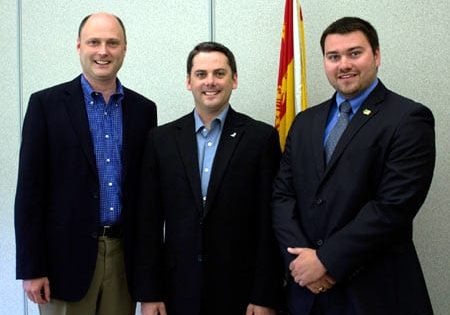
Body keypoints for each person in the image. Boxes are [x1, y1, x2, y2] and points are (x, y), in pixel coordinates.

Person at [272, 17, 435, 315]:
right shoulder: (305, 122)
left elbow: (393, 207)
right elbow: (282, 197)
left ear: (377, 55)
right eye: (333, 57)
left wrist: (325, 261)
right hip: (305, 296)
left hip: (373, 292)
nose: (343, 64)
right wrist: (301, 262)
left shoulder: (409, 119)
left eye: (354, 53)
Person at [15, 12, 157, 315]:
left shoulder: (144, 110)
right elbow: (29, 192)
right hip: (61, 264)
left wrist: (149, 278)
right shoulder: (45, 105)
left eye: (112, 43)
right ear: (79, 46)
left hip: (123, 260)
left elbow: (146, 200)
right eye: (94, 42)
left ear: (124, 49)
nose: (103, 51)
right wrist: (31, 267)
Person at [133, 41, 283, 315]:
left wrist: (265, 296)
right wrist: (149, 293)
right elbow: (148, 223)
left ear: (234, 80)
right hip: (177, 291)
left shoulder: (261, 139)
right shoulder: (161, 140)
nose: (210, 82)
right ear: (188, 81)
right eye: (201, 74)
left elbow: (268, 223)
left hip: (241, 291)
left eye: (219, 73)